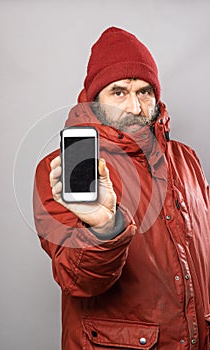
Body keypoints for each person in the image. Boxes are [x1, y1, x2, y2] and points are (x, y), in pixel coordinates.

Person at [33, 27, 210, 349]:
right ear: (94, 100)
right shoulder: (61, 169)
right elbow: (79, 281)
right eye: (118, 92)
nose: (135, 107)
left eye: (144, 92)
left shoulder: (186, 159)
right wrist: (104, 228)